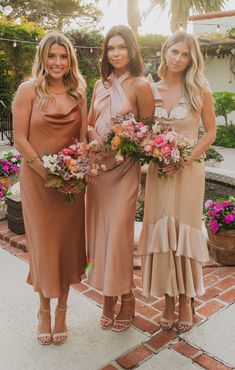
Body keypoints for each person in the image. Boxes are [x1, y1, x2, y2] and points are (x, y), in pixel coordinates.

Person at [138, 31, 216, 332]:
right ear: (164, 52)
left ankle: (185, 300)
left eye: (185, 54)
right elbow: (142, 129)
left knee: (184, 232)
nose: (179, 59)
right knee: (162, 232)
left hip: (188, 171)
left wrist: (183, 158)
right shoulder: (149, 88)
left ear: (190, 59)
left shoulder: (199, 88)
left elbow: (209, 133)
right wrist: (153, 150)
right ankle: (168, 299)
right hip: (159, 172)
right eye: (174, 52)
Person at [13, 32, 87, 345]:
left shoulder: (79, 92)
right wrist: (48, 172)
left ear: (70, 59)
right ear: (42, 58)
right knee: (44, 247)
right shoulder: (28, 90)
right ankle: (44, 309)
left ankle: (63, 310)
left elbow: (81, 140)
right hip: (38, 181)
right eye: (51, 56)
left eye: (63, 56)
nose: (57, 63)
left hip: (70, 183)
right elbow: (20, 139)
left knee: (67, 246)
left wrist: (73, 170)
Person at [86, 25, 154, 332]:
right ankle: (109, 296)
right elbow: (89, 124)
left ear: (131, 50)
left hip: (125, 171)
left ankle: (127, 299)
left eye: (121, 47)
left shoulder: (141, 85)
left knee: (119, 237)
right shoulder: (100, 85)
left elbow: (149, 130)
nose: (116, 53)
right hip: (98, 171)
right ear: (106, 52)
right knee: (101, 237)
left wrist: (129, 143)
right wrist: (94, 139)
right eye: (111, 48)